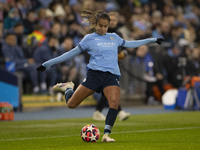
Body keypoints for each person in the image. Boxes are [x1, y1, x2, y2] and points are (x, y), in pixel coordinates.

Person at [37, 10, 163, 142]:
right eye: (100, 26)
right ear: (95, 25)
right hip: (94, 76)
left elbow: (131, 44)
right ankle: (68, 87)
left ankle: (106, 135)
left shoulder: (114, 37)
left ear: (109, 26)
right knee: (71, 104)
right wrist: (47, 64)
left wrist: (152, 40)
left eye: (105, 26)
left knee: (114, 102)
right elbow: (70, 53)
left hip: (111, 76)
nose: (103, 29)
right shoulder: (89, 39)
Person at [93, 11, 130, 121]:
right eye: (111, 20)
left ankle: (99, 111)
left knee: (109, 90)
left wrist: (123, 54)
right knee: (110, 89)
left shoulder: (118, 34)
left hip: (115, 67)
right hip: (103, 67)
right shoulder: (102, 33)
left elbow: (125, 48)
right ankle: (120, 111)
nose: (113, 22)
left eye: (115, 20)